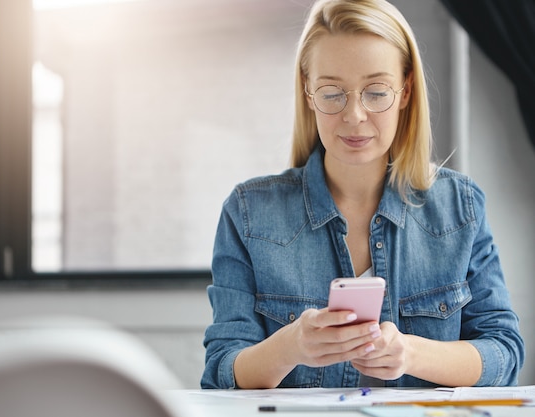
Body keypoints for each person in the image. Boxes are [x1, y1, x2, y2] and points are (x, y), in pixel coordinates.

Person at [201, 0, 524, 389]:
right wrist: (290, 347)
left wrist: (411, 353)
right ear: (308, 93)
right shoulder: (249, 213)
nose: (354, 115)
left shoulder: (460, 208)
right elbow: (221, 370)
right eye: (332, 92)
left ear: (405, 92)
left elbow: (505, 354)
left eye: (375, 91)